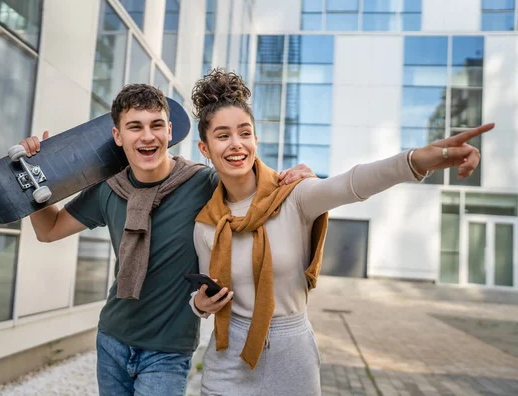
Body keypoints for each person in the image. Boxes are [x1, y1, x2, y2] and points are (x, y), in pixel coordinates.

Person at [188, 69, 492, 396]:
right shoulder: (207, 224)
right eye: (222, 136)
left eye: (244, 133)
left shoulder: (293, 195)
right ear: (205, 148)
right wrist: (199, 305)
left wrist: (417, 160)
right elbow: (204, 293)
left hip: (292, 359)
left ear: (255, 140)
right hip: (228, 359)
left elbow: (353, 183)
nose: (236, 144)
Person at [19, 83, 315, 396]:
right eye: (135, 127)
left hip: (168, 351)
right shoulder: (109, 189)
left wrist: (295, 180)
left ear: (169, 131)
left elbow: (251, 184)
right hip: (112, 339)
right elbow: (49, 230)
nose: (148, 136)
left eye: (156, 125)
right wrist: (31, 182)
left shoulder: (203, 183)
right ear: (118, 136)